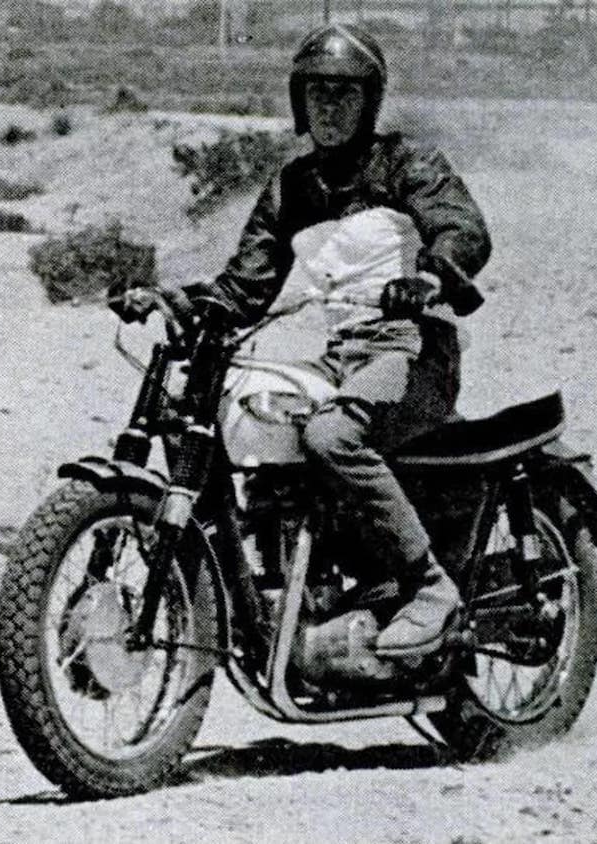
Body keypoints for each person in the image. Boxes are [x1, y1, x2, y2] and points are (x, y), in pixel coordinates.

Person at [117, 24, 492, 658]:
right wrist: (179, 300)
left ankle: (430, 587)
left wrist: (428, 276)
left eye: (345, 93)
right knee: (252, 419)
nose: (329, 106)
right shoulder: (292, 189)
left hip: (412, 345)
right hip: (341, 353)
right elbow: (245, 286)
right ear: (299, 100)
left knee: (330, 435)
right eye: (317, 92)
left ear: (369, 100)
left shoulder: (407, 164)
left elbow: (462, 230)